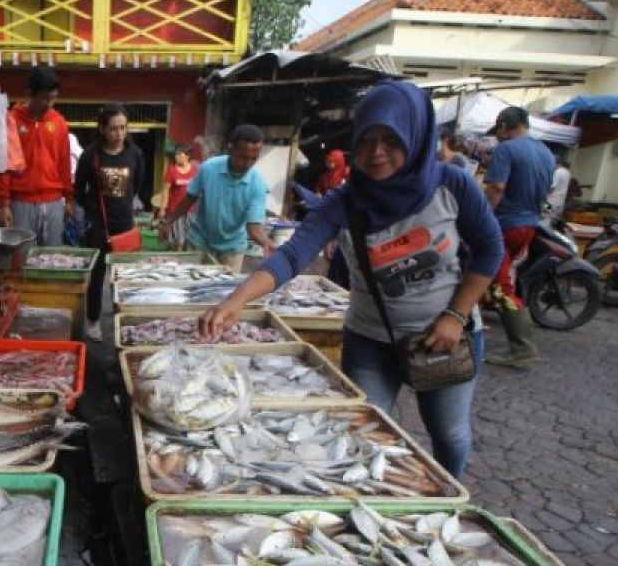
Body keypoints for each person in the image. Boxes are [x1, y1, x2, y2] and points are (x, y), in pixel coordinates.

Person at [199, 81, 503, 478]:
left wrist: (455, 316)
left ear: (416, 135)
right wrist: (235, 302)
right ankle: (381, 507)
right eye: (366, 140)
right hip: (371, 340)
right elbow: (292, 256)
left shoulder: (452, 185)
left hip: (445, 335)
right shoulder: (343, 201)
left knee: (448, 433)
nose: (376, 153)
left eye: (391, 140)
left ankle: (446, 501)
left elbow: (490, 250)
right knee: (366, 432)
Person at [483, 106, 555, 368]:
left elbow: (497, 188)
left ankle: (522, 348)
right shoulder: (545, 152)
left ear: (503, 126)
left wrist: (481, 218)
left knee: (500, 285)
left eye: (498, 130)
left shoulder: (506, 149)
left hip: (505, 224)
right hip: (528, 224)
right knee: (490, 277)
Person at [158, 124, 275, 272]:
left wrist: (266, 242)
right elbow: (189, 198)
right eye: (243, 157)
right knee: (193, 288)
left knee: (225, 292)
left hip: (232, 249)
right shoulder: (208, 168)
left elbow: (254, 227)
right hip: (199, 242)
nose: (248, 163)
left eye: (254, 158)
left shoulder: (257, 184)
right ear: (231, 148)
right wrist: (169, 222)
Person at [75, 105, 145, 341]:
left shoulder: (135, 154)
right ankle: (93, 320)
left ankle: (123, 317)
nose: (119, 133)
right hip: (97, 224)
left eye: (123, 128)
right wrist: (93, 210)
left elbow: (137, 186)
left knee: (124, 274)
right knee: (97, 274)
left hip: (124, 223)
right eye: (114, 128)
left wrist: (123, 208)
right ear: (102, 129)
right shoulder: (91, 155)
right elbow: (78, 190)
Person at [0, 66, 73, 246]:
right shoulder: (12, 120)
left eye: (53, 98)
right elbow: (5, 165)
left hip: (53, 201)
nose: (49, 104)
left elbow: (64, 164)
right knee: (21, 257)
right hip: (20, 202)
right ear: (30, 93)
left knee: (53, 258)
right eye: (44, 98)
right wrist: (4, 204)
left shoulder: (59, 123)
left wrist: (69, 198)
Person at [158, 143, 199, 249]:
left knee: (189, 240)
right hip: (175, 211)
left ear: (187, 156)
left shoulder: (195, 170)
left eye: (180, 154)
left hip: (191, 211)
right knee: (178, 241)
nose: (177, 157)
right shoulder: (171, 171)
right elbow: (165, 191)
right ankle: (177, 260)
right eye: (176, 154)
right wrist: (162, 209)